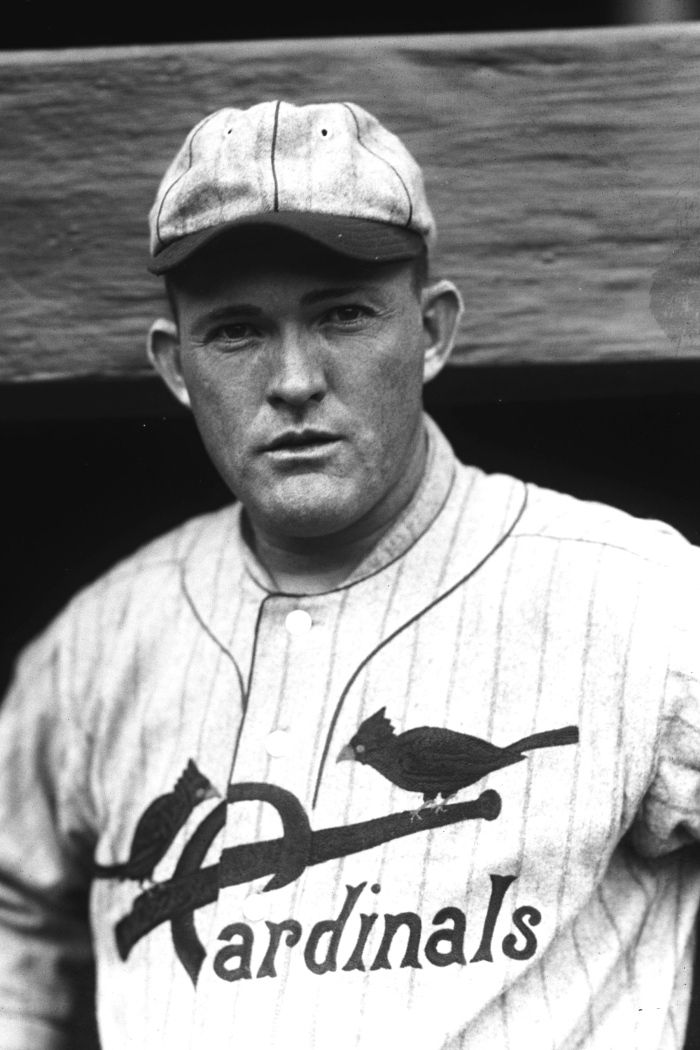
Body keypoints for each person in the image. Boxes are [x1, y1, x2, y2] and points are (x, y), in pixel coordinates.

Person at [0, 99, 699, 1050]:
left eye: (344, 316)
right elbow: (14, 911)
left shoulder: (643, 600)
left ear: (434, 332)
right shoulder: (101, 639)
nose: (294, 379)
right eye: (237, 332)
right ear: (174, 367)